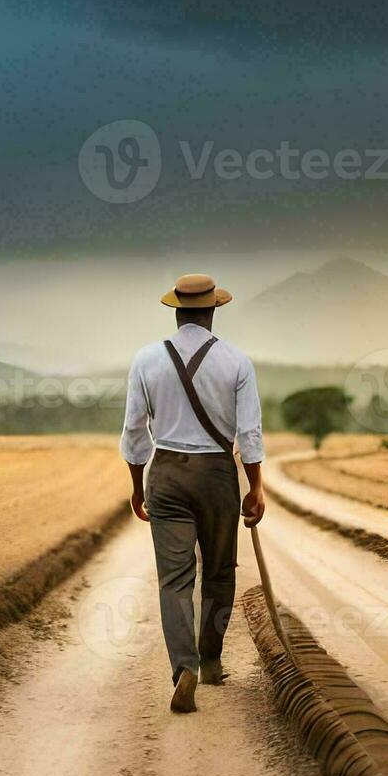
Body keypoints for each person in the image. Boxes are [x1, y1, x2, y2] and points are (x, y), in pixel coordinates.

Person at [120, 273, 266, 714]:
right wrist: (255, 487)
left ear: (176, 309)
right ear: (214, 310)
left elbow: (133, 430)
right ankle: (212, 660)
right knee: (219, 573)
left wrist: (136, 486)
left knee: (174, 581)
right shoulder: (237, 362)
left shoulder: (145, 360)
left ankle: (182, 667)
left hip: (165, 474)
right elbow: (250, 433)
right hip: (217, 476)